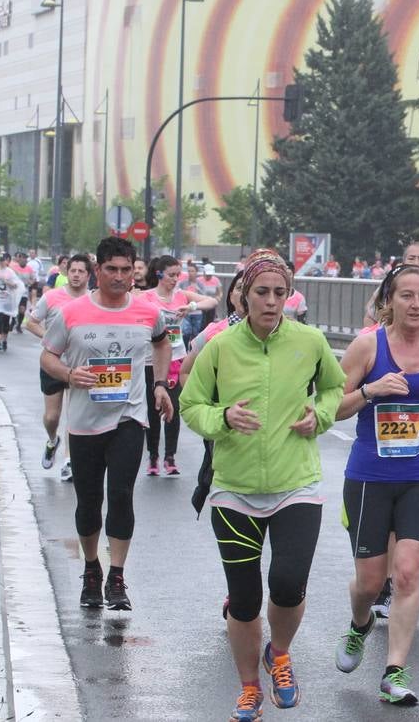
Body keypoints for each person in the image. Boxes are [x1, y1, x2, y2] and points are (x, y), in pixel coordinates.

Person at [179, 250, 345, 721]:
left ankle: (282, 654)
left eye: (279, 292)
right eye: (261, 293)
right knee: (246, 598)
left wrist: (322, 415)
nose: (271, 302)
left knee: (288, 584)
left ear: (288, 295)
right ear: (244, 296)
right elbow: (191, 404)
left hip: (297, 484)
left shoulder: (310, 342)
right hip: (234, 489)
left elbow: (335, 387)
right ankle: (249, 687)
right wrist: (223, 418)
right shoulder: (221, 346)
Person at [333, 264, 419, 706]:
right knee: (370, 583)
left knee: (409, 573)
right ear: (389, 300)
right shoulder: (366, 346)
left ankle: (394, 670)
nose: (415, 305)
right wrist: (372, 390)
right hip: (371, 475)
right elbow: (332, 408)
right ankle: (359, 626)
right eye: (406, 296)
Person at [40, 236, 172, 613]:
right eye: (111, 269)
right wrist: (69, 375)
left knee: (121, 496)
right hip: (84, 423)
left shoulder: (147, 311)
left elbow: (162, 343)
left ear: (134, 272)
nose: (118, 277)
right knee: (89, 502)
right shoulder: (72, 313)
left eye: (125, 270)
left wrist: (160, 384)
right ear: (98, 270)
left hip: (129, 418)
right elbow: (47, 356)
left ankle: (116, 575)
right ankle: (91, 568)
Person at [140, 255, 217, 476]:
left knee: (173, 408)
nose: (175, 279)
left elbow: (211, 301)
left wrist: (190, 306)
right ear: (159, 274)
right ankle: (153, 456)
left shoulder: (181, 295)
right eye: (171, 275)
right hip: (151, 360)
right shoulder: (147, 297)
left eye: (178, 275)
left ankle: (170, 457)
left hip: (176, 359)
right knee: (153, 410)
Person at [25, 253, 92, 480]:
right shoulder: (52, 297)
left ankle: (69, 461)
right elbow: (30, 323)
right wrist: (52, 337)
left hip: (81, 365)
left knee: (74, 415)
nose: (75, 275)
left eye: (80, 271)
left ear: (88, 275)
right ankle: (52, 441)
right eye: (72, 270)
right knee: (52, 417)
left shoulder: (94, 299)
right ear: (66, 272)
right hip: (54, 363)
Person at [0, 253, 26, 353]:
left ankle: (4, 340)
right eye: (0, 261)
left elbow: (16, 285)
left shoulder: (10, 272)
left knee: (6, 321)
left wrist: (7, 282)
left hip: (7, 300)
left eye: (3, 261)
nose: (1, 263)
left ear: (6, 261)